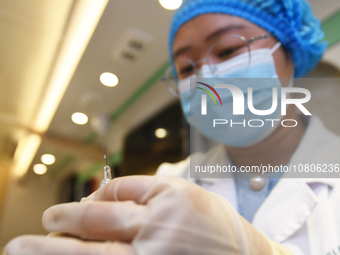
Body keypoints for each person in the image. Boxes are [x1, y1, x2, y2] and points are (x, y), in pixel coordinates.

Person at [5, 0, 340, 254]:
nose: (206, 77)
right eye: (185, 68)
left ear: (292, 52)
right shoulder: (172, 180)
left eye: (228, 50)